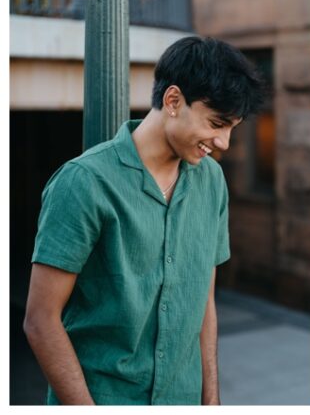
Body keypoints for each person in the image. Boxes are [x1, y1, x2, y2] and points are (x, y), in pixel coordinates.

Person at [23, 36, 265, 405]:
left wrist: (212, 403)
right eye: (217, 123)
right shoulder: (83, 183)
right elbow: (41, 320)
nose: (224, 143)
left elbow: (204, 303)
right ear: (172, 101)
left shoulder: (212, 183)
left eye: (232, 127)